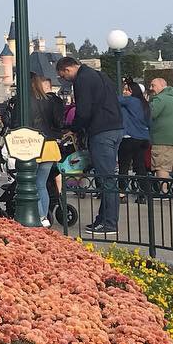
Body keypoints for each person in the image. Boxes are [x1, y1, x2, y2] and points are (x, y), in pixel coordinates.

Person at [56, 56, 124, 236]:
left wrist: (74, 128)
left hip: (101, 132)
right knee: (107, 176)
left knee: (107, 178)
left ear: (67, 69)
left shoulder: (82, 80)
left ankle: (109, 223)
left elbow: (84, 110)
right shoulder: (99, 75)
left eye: (62, 76)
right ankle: (103, 218)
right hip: (115, 129)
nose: (64, 79)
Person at [31, 73, 65, 227]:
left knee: (31, 183)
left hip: (32, 144)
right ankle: (44, 217)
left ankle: (38, 216)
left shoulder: (26, 101)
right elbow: (58, 122)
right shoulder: (50, 101)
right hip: (49, 144)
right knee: (41, 183)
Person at [149, 77, 173, 182]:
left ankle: (164, 195)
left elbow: (150, 114)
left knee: (162, 167)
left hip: (163, 139)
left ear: (162, 85)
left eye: (153, 85)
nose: (151, 88)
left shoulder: (160, 98)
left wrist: (150, 100)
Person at [117, 79, 151, 201]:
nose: (124, 92)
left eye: (127, 90)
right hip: (143, 138)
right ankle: (143, 193)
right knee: (140, 166)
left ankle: (122, 193)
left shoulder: (130, 101)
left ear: (133, 92)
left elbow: (114, 99)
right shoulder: (144, 104)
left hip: (129, 137)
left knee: (124, 166)